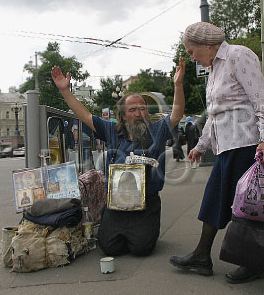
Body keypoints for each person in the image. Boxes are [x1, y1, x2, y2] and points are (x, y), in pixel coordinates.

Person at [169, 22, 264, 284]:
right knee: (214, 200)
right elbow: (215, 115)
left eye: (192, 51)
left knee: (247, 206)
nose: (192, 57)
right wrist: (200, 146)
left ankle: (256, 264)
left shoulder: (237, 55)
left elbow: (261, 98)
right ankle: (202, 256)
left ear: (207, 45)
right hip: (227, 146)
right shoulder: (215, 68)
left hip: (246, 143)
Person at [51, 57, 185, 256]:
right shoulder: (111, 130)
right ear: (123, 115)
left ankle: (143, 232)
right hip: (116, 204)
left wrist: (178, 84)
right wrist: (65, 90)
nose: (139, 113)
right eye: (133, 110)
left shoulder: (156, 130)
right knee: (109, 248)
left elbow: (177, 113)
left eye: (142, 109)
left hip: (146, 204)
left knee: (141, 249)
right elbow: (84, 116)